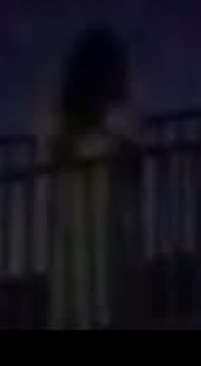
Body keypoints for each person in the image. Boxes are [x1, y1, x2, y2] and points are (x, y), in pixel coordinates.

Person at [45, 26, 138, 329]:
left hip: (94, 209)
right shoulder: (68, 117)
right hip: (85, 207)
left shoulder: (108, 116)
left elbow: (128, 150)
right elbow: (60, 147)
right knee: (90, 278)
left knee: (94, 277)